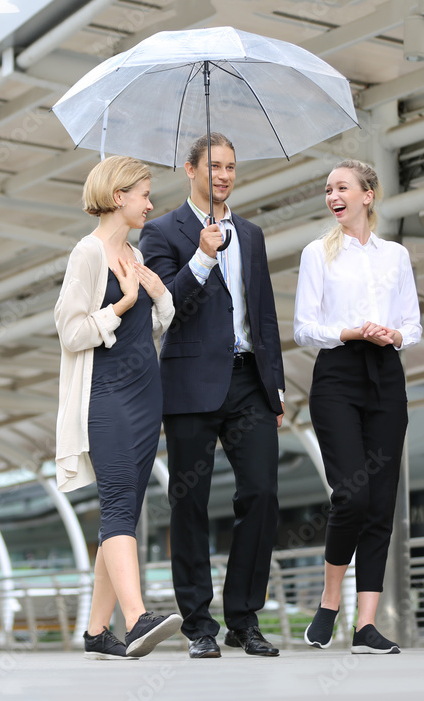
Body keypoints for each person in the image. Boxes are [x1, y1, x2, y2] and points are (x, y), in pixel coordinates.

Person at [139, 133, 285, 659]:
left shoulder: (251, 233)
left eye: (230, 166)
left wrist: (276, 384)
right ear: (190, 169)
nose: (223, 175)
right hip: (189, 382)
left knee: (263, 494)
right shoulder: (161, 231)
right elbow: (161, 306)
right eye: (214, 166)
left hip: (249, 380)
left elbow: (264, 313)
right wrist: (200, 259)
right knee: (190, 503)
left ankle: (243, 618)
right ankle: (199, 624)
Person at [54, 155, 182, 660]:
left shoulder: (135, 253)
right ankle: (137, 619)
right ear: (116, 196)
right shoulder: (87, 254)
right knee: (118, 502)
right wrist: (122, 303)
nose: (151, 204)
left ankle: (94, 633)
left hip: (146, 394)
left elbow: (149, 329)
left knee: (126, 507)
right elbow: (71, 331)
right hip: (104, 396)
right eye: (144, 195)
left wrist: (154, 294)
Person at [293, 159, 421, 654]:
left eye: (341, 187)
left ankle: (365, 626)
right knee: (352, 494)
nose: (332, 196)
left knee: (381, 501)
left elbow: (413, 323)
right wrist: (348, 331)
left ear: (368, 195)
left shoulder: (396, 256)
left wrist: (394, 335)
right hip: (337, 376)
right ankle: (329, 601)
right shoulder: (316, 254)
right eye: (328, 190)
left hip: (387, 375)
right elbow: (304, 327)